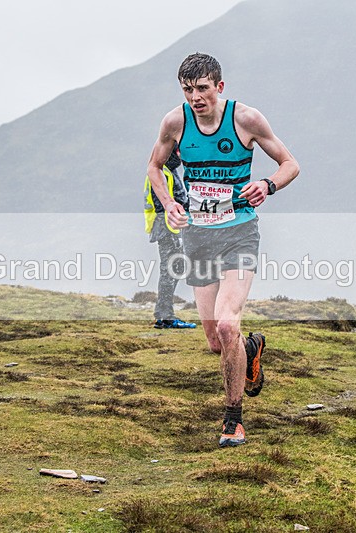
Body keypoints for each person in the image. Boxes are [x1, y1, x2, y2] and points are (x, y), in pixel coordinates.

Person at [146, 53, 299, 447]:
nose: (195, 97)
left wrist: (267, 185)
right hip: (198, 238)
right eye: (187, 90)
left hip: (239, 234)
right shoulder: (175, 122)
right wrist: (169, 203)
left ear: (220, 87)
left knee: (228, 322)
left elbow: (289, 163)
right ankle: (251, 350)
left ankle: (233, 420)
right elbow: (154, 166)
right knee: (217, 340)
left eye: (202, 88)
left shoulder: (246, 119)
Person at [144, 143, 197, 329]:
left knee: (176, 268)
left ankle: (165, 314)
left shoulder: (167, 170)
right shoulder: (162, 172)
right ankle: (165, 316)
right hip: (168, 229)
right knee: (170, 270)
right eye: (179, 152)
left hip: (169, 228)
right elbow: (164, 204)